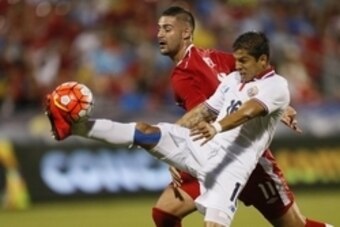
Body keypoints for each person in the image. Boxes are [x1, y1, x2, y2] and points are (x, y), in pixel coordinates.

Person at [45, 31, 332, 227]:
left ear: (263, 61)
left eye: (244, 61)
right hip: (201, 148)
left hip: (230, 169)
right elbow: (207, 109)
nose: (238, 65)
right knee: (146, 132)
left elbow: (250, 111)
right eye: (237, 59)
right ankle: (75, 128)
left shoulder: (277, 86)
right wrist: (178, 134)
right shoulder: (232, 80)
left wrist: (217, 127)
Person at [152, 6, 330, 227]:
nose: (159, 34)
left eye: (167, 28)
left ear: (186, 32)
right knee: (164, 213)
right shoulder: (216, 56)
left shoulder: (183, 75)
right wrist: (281, 107)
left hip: (239, 158)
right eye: (159, 28)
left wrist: (173, 147)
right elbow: (257, 76)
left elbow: (203, 116)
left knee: (294, 225)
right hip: (223, 154)